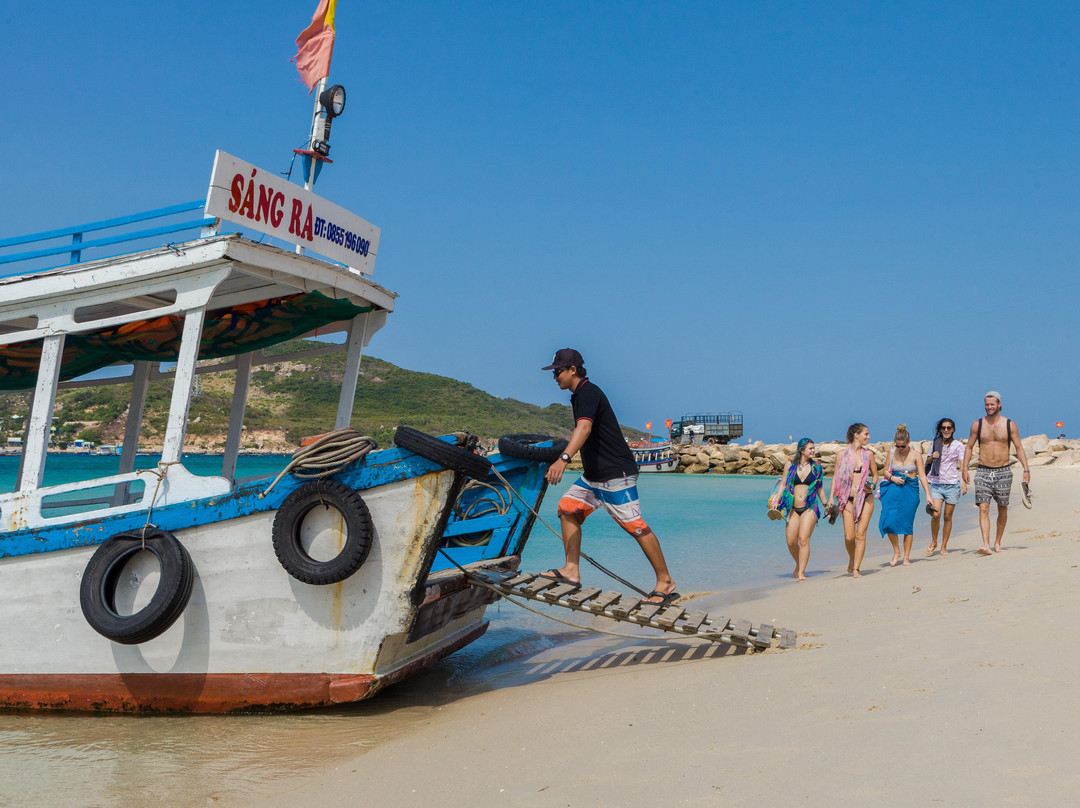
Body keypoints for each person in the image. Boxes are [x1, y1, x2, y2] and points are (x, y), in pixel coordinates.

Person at [540, 348, 679, 604]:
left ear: (573, 370)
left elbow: (584, 427)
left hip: (616, 474)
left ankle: (665, 582)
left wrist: (563, 459)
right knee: (568, 508)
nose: (554, 376)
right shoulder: (579, 395)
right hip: (594, 476)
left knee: (635, 526)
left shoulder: (588, 392)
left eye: (558, 371)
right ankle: (571, 570)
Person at [962, 391, 1031, 555]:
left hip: (1003, 471)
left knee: (1002, 508)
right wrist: (964, 469)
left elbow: (1019, 447)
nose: (989, 407)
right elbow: (969, 447)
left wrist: (1026, 470)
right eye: (987, 404)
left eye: (992, 404)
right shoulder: (977, 425)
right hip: (983, 471)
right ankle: (986, 544)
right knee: (983, 508)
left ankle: (997, 543)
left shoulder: (1009, 425)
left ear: (999, 404)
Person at [772, 438, 828, 581]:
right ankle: (799, 564)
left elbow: (819, 488)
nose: (813, 451)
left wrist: (827, 505)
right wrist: (776, 500)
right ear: (802, 450)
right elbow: (783, 484)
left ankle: (801, 572)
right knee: (791, 542)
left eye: (814, 448)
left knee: (803, 540)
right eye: (810, 448)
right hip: (792, 508)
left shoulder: (816, 467)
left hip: (809, 507)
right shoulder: (790, 465)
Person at [828, 423, 879, 578]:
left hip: (866, 498)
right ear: (856, 435)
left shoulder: (868, 455)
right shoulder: (841, 455)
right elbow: (835, 478)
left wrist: (873, 485)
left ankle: (856, 568)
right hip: (847, 499)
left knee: (860, 534)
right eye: (866, 434)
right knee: (849, 537)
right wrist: (831, 498)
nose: (868, 437)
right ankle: (853, 558)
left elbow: (876, 474)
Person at [877, 424, 930, 566]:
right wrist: (892, 478)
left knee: (907, 524)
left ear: (908, 442)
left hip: (910, 490)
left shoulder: (916, 455)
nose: (900, 449)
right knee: (888, 520)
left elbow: (923, 476)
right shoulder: (891, 452)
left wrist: (928, 496)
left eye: (903, 446)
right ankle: (896, 551)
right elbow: (886, 471)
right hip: (893, 489)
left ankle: (906, 556)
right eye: (898, 446)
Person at [924, 417, 967, 556]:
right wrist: (933, 457)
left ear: (953, 429)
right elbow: (928, 460)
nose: (946, 430)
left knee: (948, 517)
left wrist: (964, 482)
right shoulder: (935, 443)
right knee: (936, 514)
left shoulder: (958, 445)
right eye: (944, 428)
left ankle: (944, 546)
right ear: (940, 429)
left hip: (952, 485)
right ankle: (934, 541)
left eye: (949, 428)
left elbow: (962, 463)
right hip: (936, 483)